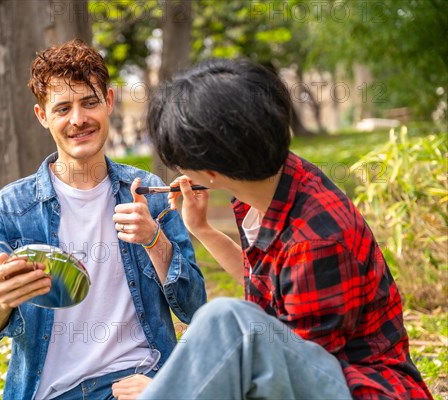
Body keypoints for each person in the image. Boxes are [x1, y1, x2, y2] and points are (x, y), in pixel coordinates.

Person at [137, 59, 432, 399]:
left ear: (211, 172)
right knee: (228, 325)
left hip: (366, 390)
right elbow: (268, 303)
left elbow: (285, 374)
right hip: (322, 375)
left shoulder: (316, 242)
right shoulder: (269, 184)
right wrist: (201, 228)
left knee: (225, 321)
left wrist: (182, 387)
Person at [0, 39, 206, 400]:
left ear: (108, 102)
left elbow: (195, 307)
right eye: (62, 108)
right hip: (50, 392)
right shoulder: (12, 208)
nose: (78, 119)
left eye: (89, 102)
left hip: (138, 382)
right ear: (42, 116)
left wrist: (156, 239)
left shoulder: (149, 193)